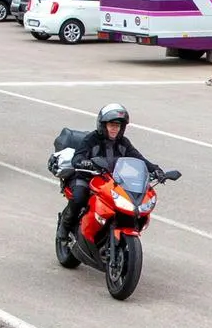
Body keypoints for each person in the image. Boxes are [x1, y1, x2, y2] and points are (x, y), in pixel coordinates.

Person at [58, 102, 161, 240]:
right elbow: (77, 158)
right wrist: (86, 162)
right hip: (86, 177)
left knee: (126, 202)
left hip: (110, 180)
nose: (114, 129)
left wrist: (156, 170)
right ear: (103, 125)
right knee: (79, 198)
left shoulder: (123, 143)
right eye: (112, 125)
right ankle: (65, 227)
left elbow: (139, 159)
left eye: (118, 126)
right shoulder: (91, 139)